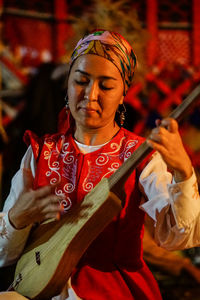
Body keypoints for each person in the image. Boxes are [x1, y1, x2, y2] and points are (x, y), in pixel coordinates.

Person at [0, 30, 200, 300]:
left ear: (122, 94)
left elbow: (177, 238)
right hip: (39, 287)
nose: (90, 95)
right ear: (68, 84)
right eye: (81, 81)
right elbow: (4, 254)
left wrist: (183, 172)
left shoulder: (142, 157)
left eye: (105, 86)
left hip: (111, 291)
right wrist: (16, 219)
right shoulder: (40, 152)